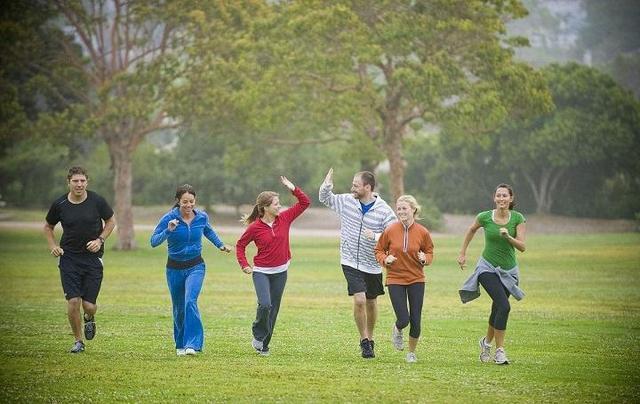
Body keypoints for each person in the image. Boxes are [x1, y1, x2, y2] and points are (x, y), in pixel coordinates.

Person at [319, 168, 396, 358]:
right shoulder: (347, 201)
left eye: (356, 185)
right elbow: (325, 198)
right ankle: (363, 341)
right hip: (350, 260)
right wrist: (327, 184)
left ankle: (371, 338)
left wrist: (377, 236)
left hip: (372, 264)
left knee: (371, 301)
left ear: (367, 187)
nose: (352, 187)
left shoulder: (384, 210)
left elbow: (393, 234)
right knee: (360, 300)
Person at [150, 184, 231, 356]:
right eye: (185, 202)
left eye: (191, 202)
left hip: (196, 266)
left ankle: (192, 344)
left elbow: (208, 231)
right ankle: (180, 344)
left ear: (195, 201)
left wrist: (221, 245)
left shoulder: (201, 217)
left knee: (190, 301)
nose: (188, 205)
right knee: (179, 308)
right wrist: (168, 230)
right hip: (174, 268)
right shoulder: (169, 218)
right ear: (178, 201)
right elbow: (154, 241)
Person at [44, 166, 116, 353]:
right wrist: (53, 246)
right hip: (69, 258)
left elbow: (111, 221)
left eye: (82, 181)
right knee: (73, 301)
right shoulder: (60, 204)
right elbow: (48, 227)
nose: (79, 184)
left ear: (87, 182)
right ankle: (78, 341)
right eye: (75, 181)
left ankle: (89, 318)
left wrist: (100, 240)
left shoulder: (97, 201)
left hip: (92, 258)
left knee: (89, 306)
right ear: (69, 182)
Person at [235, 176, 310, 356]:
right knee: (265, 305)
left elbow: (305, 202)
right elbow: (240, 246)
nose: (280, 206)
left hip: (281, 272)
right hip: (261, 272)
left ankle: (264, 345)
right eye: (276, 204)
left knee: (273, 310)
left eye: (279, 203)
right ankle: (258, 333)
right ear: (265, 207)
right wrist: (244, 264)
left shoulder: (284, 218)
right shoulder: (254, 227)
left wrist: (293, 188)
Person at [457, 183, 527, 365]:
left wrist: (508, 237)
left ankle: (486, 343)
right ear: (494, 198)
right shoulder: (485, 217)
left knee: (498, 307)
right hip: (486, 268)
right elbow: (471, 230)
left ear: (511, 199)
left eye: (505, 196)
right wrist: (463, 253)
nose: (501, 199)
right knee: (504, 306)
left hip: (508, 271)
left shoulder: (518, 218)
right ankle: (500, 351)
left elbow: (522, 247)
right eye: (499, 196)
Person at [374, 195, 434, 363]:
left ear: (413, 210)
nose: (401, 211)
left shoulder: (423, 232)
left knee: (416, 319)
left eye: (404, 208)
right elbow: (378, 250)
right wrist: (385, 259)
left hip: (416, 279)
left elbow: (429, 252)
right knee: (404, 318)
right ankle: (398, 328)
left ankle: (411, 353)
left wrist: (425, 258)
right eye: (399, 208)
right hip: (395, 278)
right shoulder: (391, 230)